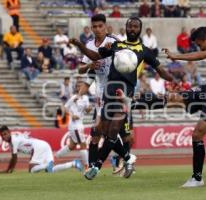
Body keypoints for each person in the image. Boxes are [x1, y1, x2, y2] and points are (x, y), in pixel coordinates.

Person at [70, 17, 176, 180]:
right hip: (108, 92)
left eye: (136, 26)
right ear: (126, 28)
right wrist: (79, 45)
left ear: (140, 29)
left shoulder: (145, 50)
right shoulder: (116, 45)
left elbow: (161, 70)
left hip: (125, 94)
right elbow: (95, 56)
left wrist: (173, 80)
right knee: (104, 131)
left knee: (114, 131)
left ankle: (96, 167)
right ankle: (127, 158)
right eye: (130, 26)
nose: (133, 29)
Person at [163, 26, 206, 187]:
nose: (200, 48)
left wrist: (176, 56)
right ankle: (135, 102)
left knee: (197, 133)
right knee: (175, 97)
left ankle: (197, 178)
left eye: (201, 44)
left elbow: (201, 55)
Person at [78, 14, 118, 171]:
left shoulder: (113, 42)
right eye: (94, 26)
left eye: (100, 26)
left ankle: (125, 159)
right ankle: (94, 166)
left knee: (106, 131)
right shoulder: (89, 45)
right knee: (98, 133)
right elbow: (81, 69)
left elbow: (127, 60)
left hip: (116, 91)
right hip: (101, 94)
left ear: (105, 26)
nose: (97, 29)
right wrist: (89, 66)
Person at [0, 125, 83, 173]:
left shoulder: (13, 140)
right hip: (44, 145)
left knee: (31, 170)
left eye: (5, 134)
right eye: (2, 135)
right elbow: (15, 158)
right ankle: (73, 163)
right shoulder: (13, 141)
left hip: (38, 147)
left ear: (9, 132)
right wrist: (11, 169)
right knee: (51, 170)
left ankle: (46, 165)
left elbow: (14, 157)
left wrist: (7, 170)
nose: (4, 136)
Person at [56, 79, 93, 170]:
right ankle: (87, 167)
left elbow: (87, 110)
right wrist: (72, 115)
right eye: (78, 86)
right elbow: (64, 108)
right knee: (83, 145)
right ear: (76, 88)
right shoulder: (73, 97)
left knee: (72, 146)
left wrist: (89, 108)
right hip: (74, 126)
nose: (80, 88)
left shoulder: (86, 98)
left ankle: (55, 157)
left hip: (80, 124)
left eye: (82, 86)